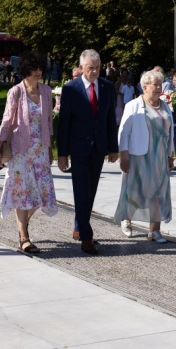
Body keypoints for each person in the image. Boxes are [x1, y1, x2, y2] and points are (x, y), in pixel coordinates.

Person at [57, 49, 119, 255]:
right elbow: (64, 123)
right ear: (82, 67)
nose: (94, 71)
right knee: (81, 191)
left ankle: (79, 225)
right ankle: (86, 236)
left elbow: (110, 119)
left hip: (99, 147)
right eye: (91, 68)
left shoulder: (107, 87)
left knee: (90, 192)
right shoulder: (70, 89)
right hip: (78, 148)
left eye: (98, 67)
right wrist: (62, 153)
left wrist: (113, 148)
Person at [0, 53, 57, 253]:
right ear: (26, 70)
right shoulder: (16, 92)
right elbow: (6, 119)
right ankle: (24, 237)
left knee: (40, 193)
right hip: (21, 151)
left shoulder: (47, 91)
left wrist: (49, 148)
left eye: (40, 68)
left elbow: (48, 121)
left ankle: (23, 226)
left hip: (40, 150)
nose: (38, 72)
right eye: (34, 68)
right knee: (23, 193)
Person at [115, 70, 174, 242]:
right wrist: (124, 156)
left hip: (160, 156)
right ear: (144, 87)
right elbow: (123, 133)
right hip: (139, 154)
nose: (158, 88)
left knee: (159, 192)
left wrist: (171, 156)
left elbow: (170, 132)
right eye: (154, 85)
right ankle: (127, 219)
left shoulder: (165, 106)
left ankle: (154, 231)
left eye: (160, 84)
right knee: (135, 190)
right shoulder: (133, 105)